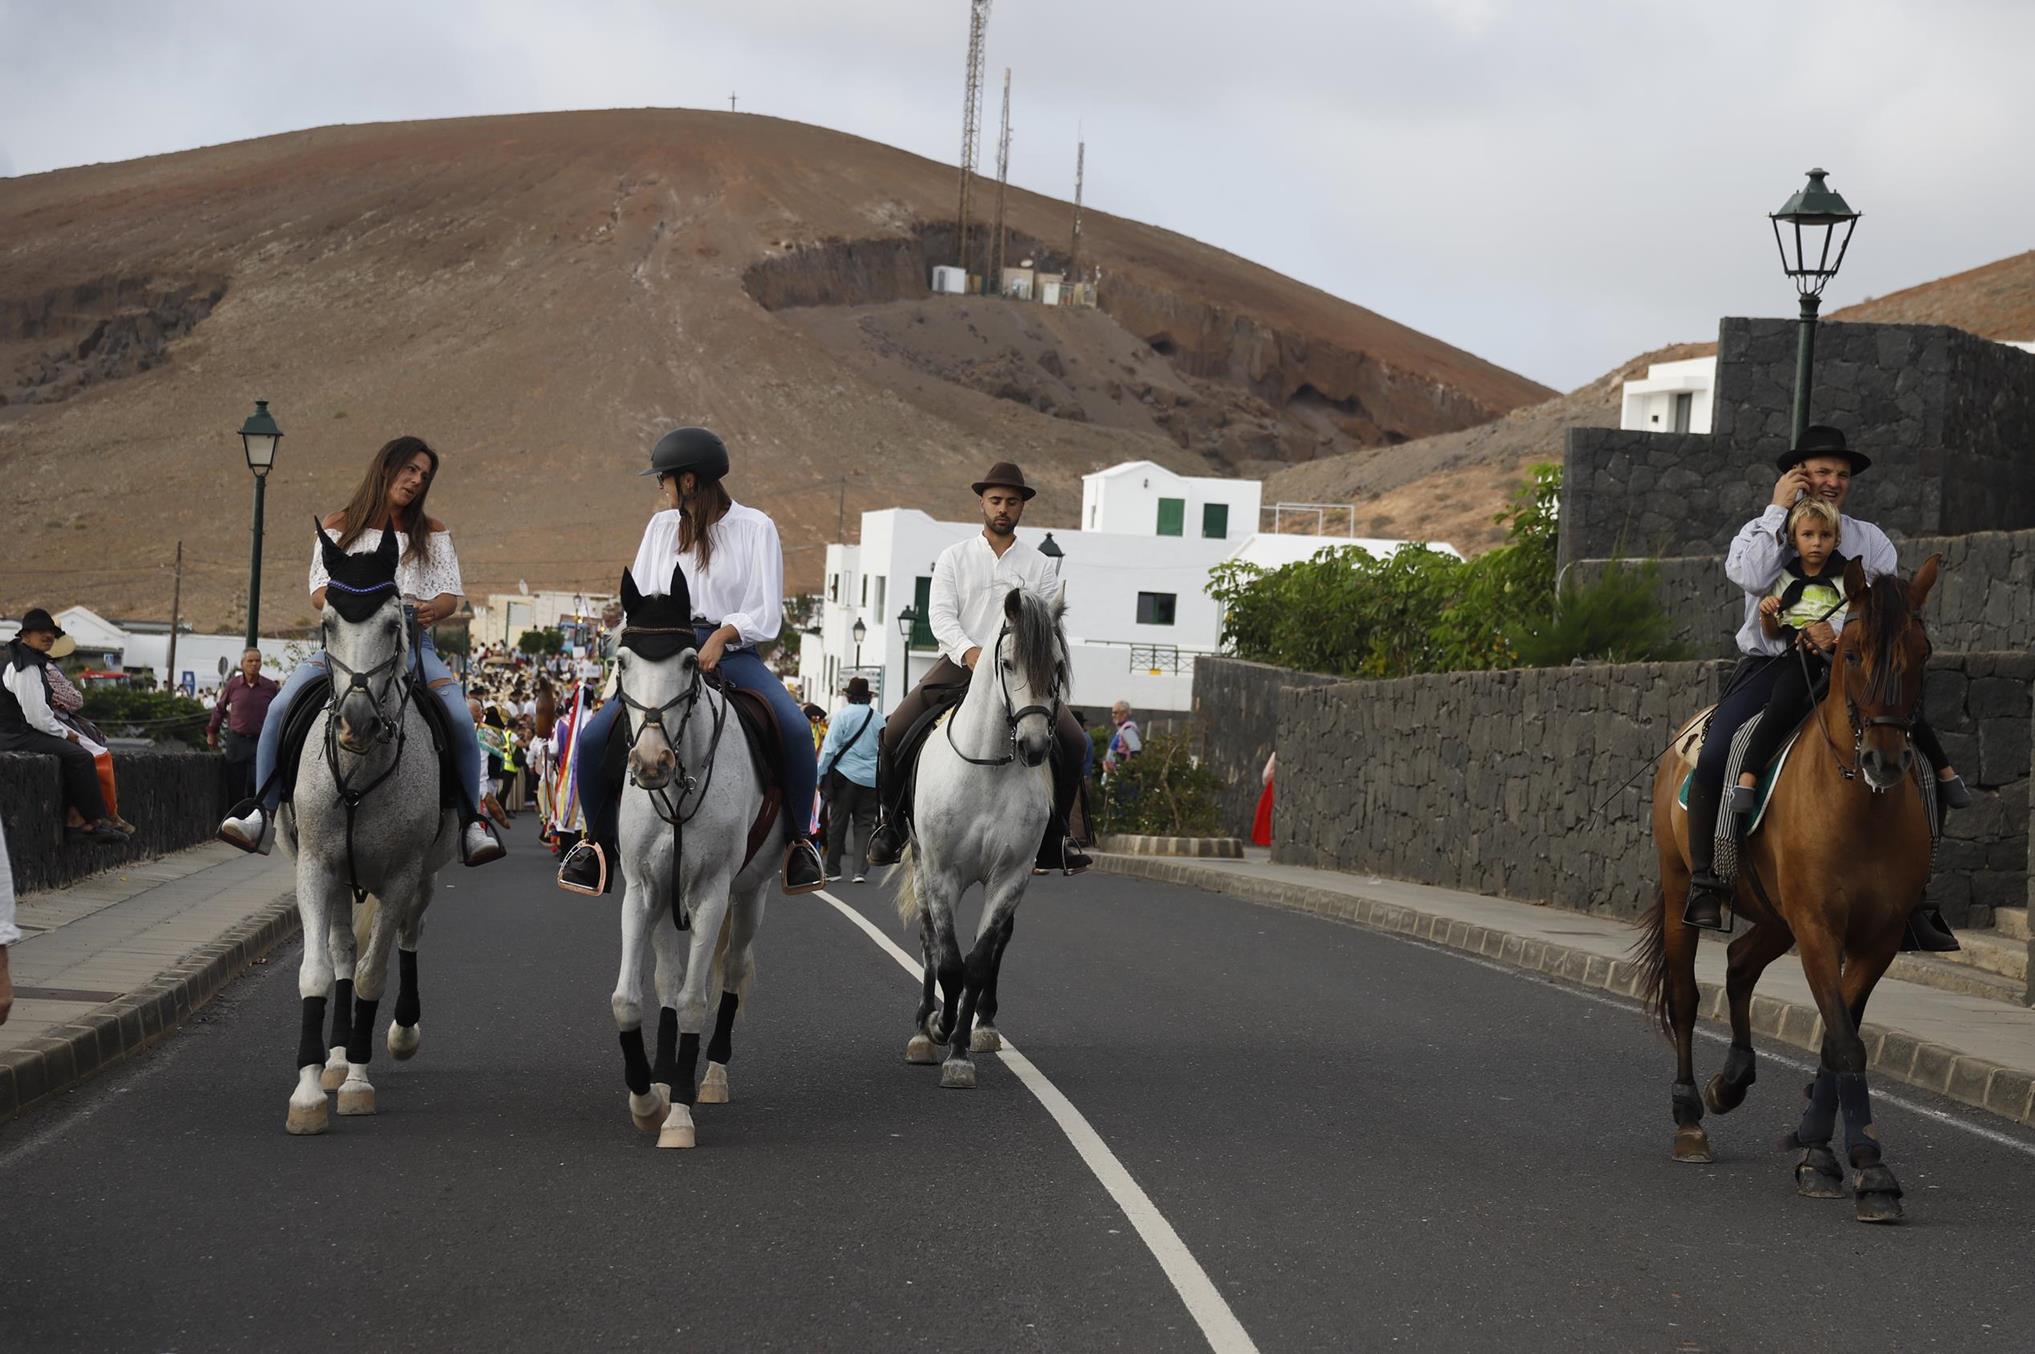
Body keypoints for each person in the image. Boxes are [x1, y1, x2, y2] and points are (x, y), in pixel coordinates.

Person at [1686, 425, 1962, 948]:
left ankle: (1916, 897)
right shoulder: (1760, 531)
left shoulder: (1869, 539)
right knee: (1718, 750)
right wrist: (1776, 512)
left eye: (1841, 474)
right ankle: (1707, 878)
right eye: (1821, 472)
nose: (1832, 481)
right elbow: (1749, 577)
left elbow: (1884, 610)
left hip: (1851, 668)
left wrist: (1838, 633)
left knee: (1916, 759)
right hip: (1772, 666)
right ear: (1798, 477)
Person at [556, 426, 827, 895]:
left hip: (734, 648)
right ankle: (593, 845)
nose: (659, 487)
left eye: (664, 478)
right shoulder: (660, 528)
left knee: (796, 729)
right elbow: (638, 599)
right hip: (663, 648)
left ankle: (799, 843)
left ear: (689, 481)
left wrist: (723, 635)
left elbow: (765, 610)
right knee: (596, 734)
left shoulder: (755, 526)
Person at [216, 436, 504, 866]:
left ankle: (471, 823)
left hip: (410, 641)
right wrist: (358, 602)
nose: (415, 481)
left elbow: (450, 596)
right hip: (345, 641)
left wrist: (430, 609)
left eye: (424, 476)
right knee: (280, 708)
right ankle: (262, 808)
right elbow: (318, 591)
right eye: (410, 470)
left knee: (460, 720)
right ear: (386, 466)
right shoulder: (340, 524)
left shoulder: (433, 533)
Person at [865, 461, 1091, 874]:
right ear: (981, 504)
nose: (1003, 508)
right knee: (895, 729)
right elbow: (941, 617)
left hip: (1021, 674)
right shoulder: (954, 557)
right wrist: (970, 653)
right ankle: (892, 826)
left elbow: (1047, 627)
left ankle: (1055, 838)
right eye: (995, 501)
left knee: (1076, 744)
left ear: (1022, 507)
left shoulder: (1040, 566)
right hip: (960, 663)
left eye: (1011, 501)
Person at [1, 609, 124, 843]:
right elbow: (37, 715)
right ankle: (84, 823)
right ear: (26, 635)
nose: (48, 636)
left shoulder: (26, 658)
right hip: (13, 734)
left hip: (14, 731)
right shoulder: (25, 666)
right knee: (80, 757)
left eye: (51, 632)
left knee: (76, 756)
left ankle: (82, 819)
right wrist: (64, 733)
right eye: (41, 632)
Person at [819, 676, 882, 882]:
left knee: (838, 823)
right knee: (864, 824)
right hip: (871, 779)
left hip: (844, 777)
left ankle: (833, 870)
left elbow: (829, 750)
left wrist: (819, 775)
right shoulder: (879, 719)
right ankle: (859, 871)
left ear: (848, 697)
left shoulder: (842, 716)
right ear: (869, 697)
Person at [208, 648, 278, 802]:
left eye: (257, 661)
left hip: (260, 742)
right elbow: (220, 709)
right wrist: (212, 732)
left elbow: (279, 713)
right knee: (234, 784)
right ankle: (232, 820)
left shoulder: (270, 687)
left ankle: (252, 820)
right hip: (237, 741)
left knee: (256, 783)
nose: (254, 664)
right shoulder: (233, 685)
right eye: (250, 661)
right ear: (242, 664)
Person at [1104, 700, 1142, 776]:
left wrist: (1126, 771)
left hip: (1122, 776)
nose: (1113, 715)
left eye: (1115, 712)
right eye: (1112, 713)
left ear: (1124, 714)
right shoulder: (1123, 729)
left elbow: (1136, 750)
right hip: (1117, 774)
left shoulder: (1128, 729)